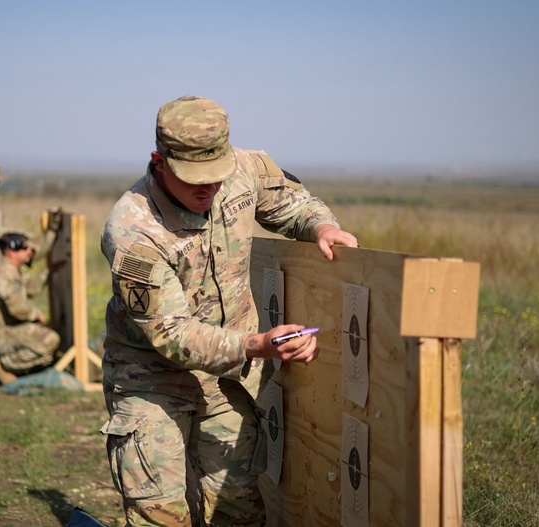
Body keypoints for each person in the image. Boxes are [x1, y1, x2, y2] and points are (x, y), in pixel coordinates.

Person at [99, 95, 358, 526]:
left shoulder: (246, 168)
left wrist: (321, 226)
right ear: (159, 161)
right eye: (193, 178)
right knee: (161, 515)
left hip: (225, 380)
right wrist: (257, 345)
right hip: (151, 381)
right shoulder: (133, 231)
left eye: (216, 176)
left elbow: (292, 205)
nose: (209, 189)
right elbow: (173, 336)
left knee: (236, 508)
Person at [0, 233, 59, 384]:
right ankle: (3, 365)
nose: (30, 252)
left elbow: (31, 289)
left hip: (0, 331)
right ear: (11, 252)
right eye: (25, 248)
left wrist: (48, 272)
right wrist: (37, 315)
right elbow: (17, 309)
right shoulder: (5, 274)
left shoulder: (13, 270)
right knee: (49, 340)